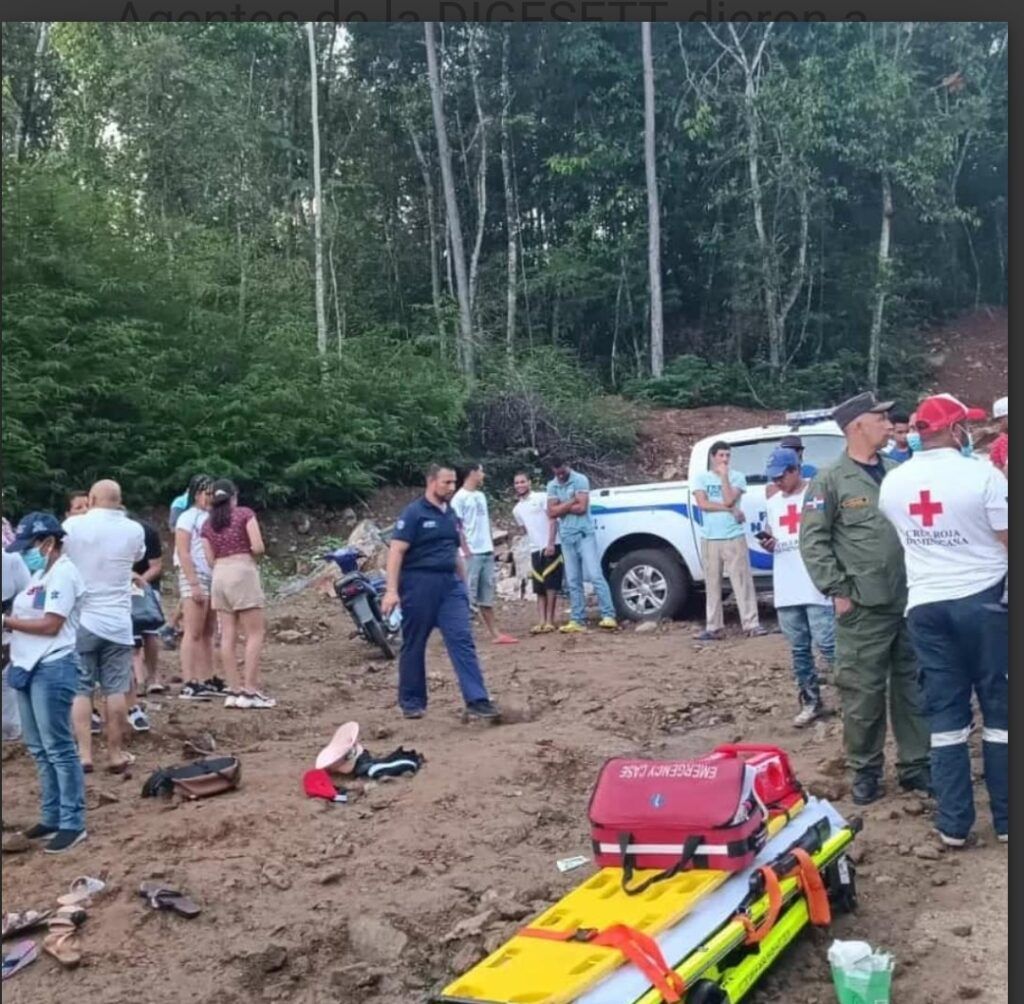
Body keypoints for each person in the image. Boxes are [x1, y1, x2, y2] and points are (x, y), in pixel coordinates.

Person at [878, 394, 1007, 847]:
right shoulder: (983, 475)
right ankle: (1008, 821)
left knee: (946, 718)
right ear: (956, 430)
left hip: (927, 606)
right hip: (985, 601)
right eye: (965, 426)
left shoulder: (893, 484)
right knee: (1000, 711)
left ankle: (954, 825)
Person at [800, 392, 931, 806]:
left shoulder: (896, 471)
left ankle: (916, 766)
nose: (888, 423)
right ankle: (865, 770)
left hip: (907, 598)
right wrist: (837, 590)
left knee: (912, 688)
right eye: (880, 418)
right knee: (862, 693)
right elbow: (813, 541)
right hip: (862, 605)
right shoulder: (831, 479)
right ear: (857, 425)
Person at [381, 464, 499, 721]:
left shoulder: (451, 515)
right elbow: (396, 551)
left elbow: (455, 553)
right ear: (431, 482)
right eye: (446, 482)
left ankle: (477, 699)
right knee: (414, 643)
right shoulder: (413, 514)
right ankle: (412, 701)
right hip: (418, 585)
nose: (451, 487)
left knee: (462, 640)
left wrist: (464, 587)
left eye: (453, 482)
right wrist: (391, 591)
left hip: (450, 586)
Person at [3, 512, 88, 853]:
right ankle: (51, 815)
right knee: (39, 748)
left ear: (49, 542)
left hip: (52, 666)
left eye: (33, 545)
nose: (28, 553)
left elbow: (51, 624)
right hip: (27, 664)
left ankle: (72, 821)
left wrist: (7, 621)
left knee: (58, 747)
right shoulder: (40, 574)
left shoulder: (64, 575)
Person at [63, 480, 145, 774]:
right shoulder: (134, 529)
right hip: (118, 622)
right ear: (119, 499)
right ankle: (115, 753)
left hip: (83, 619)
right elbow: (137, 556)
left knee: (81, 689)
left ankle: (84, 755)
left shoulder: (73, 527)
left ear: (93, 498)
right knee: (116, 689)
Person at [759, 448, 834, 727]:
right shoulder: (774, 501)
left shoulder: (814, 496)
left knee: (828, 644)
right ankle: (811, 701)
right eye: (774, 478)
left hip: (815, 583)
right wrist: (767, 542)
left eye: (781, 476)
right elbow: (772, 530)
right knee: (799, 649)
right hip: (787, 584)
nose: (777, 482)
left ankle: (855, 698)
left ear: (795, 470)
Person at [200, 479, 274, 709]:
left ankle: (234, 689)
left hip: (219, 575)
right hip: (242, 570)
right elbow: (258, 546)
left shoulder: (207, 523)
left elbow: (209, 559)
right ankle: (250, 690)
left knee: (227, 634)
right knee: (255, 633)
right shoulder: (244, 514)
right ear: (234, 496)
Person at [692, 441, 766, 641]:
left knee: (742, 581)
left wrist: (724, 477)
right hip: (710, 536)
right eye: (721, 455)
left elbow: (729, 499)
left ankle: (751, 623)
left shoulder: (737, 477)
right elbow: (703, 503)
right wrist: (730, 511)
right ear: (713, 457)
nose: (724, 459)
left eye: (727, 456)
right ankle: (714, 626)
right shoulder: (701, 478)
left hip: (733, 535)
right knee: (712, 583)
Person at [546, 458, 617, 634]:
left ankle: (608, 614)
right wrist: (571, 501)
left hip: (584, 534)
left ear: (567, 465)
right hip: (566, 537)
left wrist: (562, 506)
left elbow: (582, 507)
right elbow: (552, 512)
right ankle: (577, 618)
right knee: (572, 580)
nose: (560, 474)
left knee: (595, 574)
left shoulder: (580, 479)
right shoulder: (552, 485)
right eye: (556, 471)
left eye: (562, 469)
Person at [451, 464, 517, 645]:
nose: (483, 474)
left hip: (486, 550)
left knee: (485, 595)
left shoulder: (480, 496)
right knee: (466, 595)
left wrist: (491, 546)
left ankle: (495, 634)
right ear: (472, 472)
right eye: (481, 471)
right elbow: (457, 527)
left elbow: (484, 523)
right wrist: (465, 551)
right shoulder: (459, 499)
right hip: (470, 554)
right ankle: (458, 634)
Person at [175, 475, 220, 700]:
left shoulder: (211, 517)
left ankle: (207, 676)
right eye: (208, 493)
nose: (211, 498)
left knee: (208, 631)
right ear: (197, 494)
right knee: (192, 631)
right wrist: (193, 582)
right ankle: (189, 680)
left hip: (212, 575)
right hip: (194, 575)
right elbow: (183, 551)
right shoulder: (187, 518)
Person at [512, 471, 562, 634]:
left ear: (529, 483)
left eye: (522, 482)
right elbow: (526, 529)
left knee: (551, 584)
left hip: (551, 544)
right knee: (539, 586)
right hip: (534, 548)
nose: (520, 485)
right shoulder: (517, 509)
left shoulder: (541, 498)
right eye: (517, 483)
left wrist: (550, 542)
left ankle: (550, 620)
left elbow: (553, 519)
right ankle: (541, 621)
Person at [129, 511, 166, 704]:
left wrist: (139, 581)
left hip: (147, 587)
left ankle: (152, 677)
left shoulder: (147, 531)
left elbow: (156, 565)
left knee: (150, 632)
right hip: (122, 587)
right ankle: (139, 678)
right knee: (132, 636)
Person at [2, 548, 32, 742]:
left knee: (6, 680)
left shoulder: (12, 561)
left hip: (7, 627)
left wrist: (11, 627)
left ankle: (11, 731)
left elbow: (29, 597)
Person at [989, 396, 1007, 476]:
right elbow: (997, 473)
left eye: (1000, 420)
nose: (999, 424)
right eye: (999, 421)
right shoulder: (998, 443)